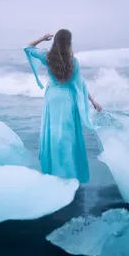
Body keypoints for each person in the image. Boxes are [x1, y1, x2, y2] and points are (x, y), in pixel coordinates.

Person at [24, 29, 102, 183]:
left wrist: (42, 38)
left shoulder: (47, 56)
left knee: (54, 134)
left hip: (52, 99)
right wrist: (93, 101)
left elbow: (27, 48)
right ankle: (68, 171)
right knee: (68, 135)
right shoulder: (73, 61)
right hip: (67, 100)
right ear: (69, 42)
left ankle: (54, 170)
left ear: (55, 41)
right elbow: (80, 85)